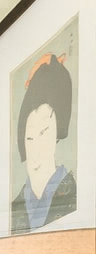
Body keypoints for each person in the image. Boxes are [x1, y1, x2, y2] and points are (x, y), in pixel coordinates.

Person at [11, 53, 77, 234]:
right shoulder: (12, 211)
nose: (35, 149)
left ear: (57, 134)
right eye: (29, 138)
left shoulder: (76, 197)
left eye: (44, 132)